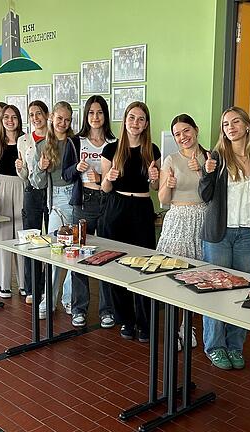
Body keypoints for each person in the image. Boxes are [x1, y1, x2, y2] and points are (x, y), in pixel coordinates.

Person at [199, 106, 250, 369]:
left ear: (247, 125)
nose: (230, 127)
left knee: (243, 292)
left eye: (236, 122)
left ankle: (235, 346)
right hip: (219, 234)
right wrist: (207, 172)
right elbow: (205, 195)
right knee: (216, 291)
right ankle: (215, 346)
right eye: (225, 124)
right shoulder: (217, 156)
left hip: (247, 233)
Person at [99, 101, 160, 342]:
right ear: (125, 120)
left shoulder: (152, 150)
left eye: (141, 119)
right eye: (132, 118)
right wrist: (109, 178)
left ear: (146, 124)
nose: (136, 123)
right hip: (117, 208)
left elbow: (155, 187)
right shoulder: (111, 150)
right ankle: (125, 320)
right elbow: (104, 189)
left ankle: (145, 323)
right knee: (117, 266)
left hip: (142, 209)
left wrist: (155, 179)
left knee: (144, 266)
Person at [62, 95, 116, 328]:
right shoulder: (75, 142)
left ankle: (107, 310)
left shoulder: (114, 142)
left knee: (108, 257)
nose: (95, 117)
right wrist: (77, 167)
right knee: (79, 256)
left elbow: (119, 176)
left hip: (107, 203)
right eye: (91, 113)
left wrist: (101, 177)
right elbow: (65, 174)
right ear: (86, 116)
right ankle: (79, 309)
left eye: (100, 112)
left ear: (105, 115)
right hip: (82, 203)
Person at [158, 114, 207, 351]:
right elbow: (163, 200)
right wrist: (168, 186)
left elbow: (213, 194)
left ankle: (189, 326)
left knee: (198, 278)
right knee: (175, 276)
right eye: (177, 134)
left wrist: (201, 173)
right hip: (178, 220)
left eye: (186, 131)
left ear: (196, 130)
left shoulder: (209, 158)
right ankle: (173, 327)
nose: (183, 137)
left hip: (202, 220)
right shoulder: (171, 160)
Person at [32, 101, 75, 319]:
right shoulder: (42, 146)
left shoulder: (75, 143)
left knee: (76, 251)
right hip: (56, 199)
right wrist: (41, 168)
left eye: (67, 120)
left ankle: (69, 299)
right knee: (56, 252)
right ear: (51, 118)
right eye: (60, 119)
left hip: (77, 199)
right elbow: (36, 183)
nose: (63, 123)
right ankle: (48, 299)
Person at [0, 102, 26, 298]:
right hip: (0, 187)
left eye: (14, 117)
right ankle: (3, 282)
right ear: (1, 120)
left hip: (21, 186)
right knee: (0, 235)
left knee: (22, 234)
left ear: (19, 120)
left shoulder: (26, 141)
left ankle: (25, 282)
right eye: (6, 117)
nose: (10, 121)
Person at [16, 100, 50, 304]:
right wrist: (19, 167)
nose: (35, 118)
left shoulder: (55, 137)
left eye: (39, 113)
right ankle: (32, 288)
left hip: (53, 192)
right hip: (32, 192)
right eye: (31, 115)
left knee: (53, 240)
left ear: (46, 115)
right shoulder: (23, 140)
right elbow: (24, 175)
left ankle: (47, 287)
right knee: (31, 240)